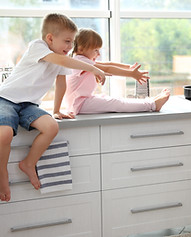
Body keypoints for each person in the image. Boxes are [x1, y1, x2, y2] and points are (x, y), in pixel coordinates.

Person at [0, 13, 110, 202]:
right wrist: (93, 67)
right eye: (67, 41)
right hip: (6, 98)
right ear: (50, 38)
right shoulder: (38, 47)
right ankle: (2, 172)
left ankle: (28, 163)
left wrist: (57, 110)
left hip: (29, 105)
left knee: (51, 127)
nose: (70, 47)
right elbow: (61, 62)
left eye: (72, 42)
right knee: (5, 134)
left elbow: (61, 83)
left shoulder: (61, 57)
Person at [55, 28, 170, 117]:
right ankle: (153, 105)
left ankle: (150, 102)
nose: (98, 54)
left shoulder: (81, 60)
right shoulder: (80, 61)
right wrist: (131, 74)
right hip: (79, 104)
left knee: (113, 100)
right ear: (80, 49)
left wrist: (129, 68)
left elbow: (108, 64)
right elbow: (108, 69)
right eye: (96, 50)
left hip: (81, 101)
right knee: (116, 103)